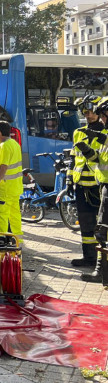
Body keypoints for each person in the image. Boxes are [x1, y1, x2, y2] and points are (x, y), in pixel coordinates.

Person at [69, 95, 103, 267]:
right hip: (81, 186)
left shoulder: (105, 133)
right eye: (85, 112)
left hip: (98, 187)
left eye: (90, 112)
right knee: (85, 223)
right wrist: (69, 179)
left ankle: (101, 260)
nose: (88, 115)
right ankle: (89, 258)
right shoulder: (78, 132)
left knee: (101, 224)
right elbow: (74, 158)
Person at [80, 97, 108, 283]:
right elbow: (100, 160)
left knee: (103, 231)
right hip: (104, 185)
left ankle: (101, 272)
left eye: (103, 116)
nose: (101, 120)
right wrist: (88, 151)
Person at [0, 121, 23, 243]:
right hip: (15, 187)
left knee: (2, 214)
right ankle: (17, 238)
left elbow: (3, 167)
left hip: (5, 188)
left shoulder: (4, 146)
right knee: (15, 214)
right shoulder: (14, 144)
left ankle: (1, 239)